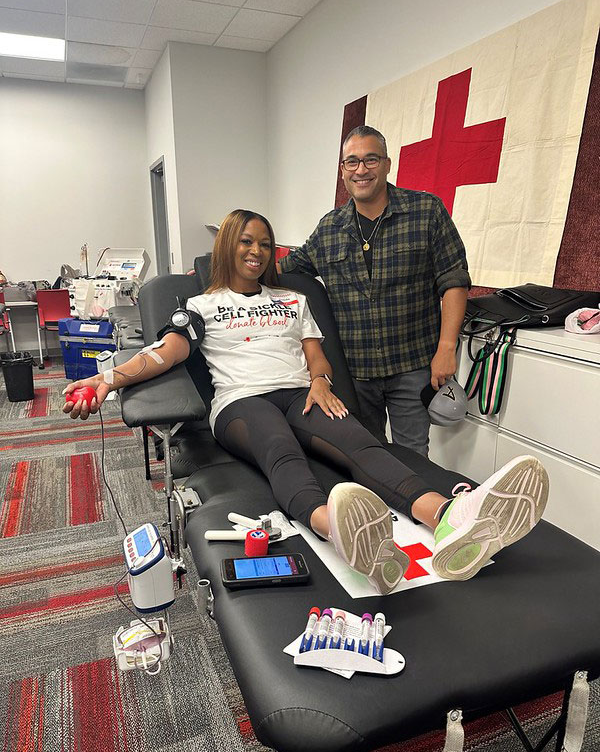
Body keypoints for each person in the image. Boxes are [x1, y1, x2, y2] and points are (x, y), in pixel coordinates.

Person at [63, 209, 548, 595]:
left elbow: (317, 357)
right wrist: (107, 379)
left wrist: (320, 381)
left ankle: (449, 520)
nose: (256, 251)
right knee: (280, 448)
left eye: (265, 244)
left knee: (362, 443)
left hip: (300, 393)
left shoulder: (293, 300)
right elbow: (165, 353)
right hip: (240, 403)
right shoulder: (200, 307)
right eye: (246, 241)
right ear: (226, 246)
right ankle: (340, 532)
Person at [277, 125, 470, 456]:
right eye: (351, 162)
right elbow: (285, 268)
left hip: (412, 366)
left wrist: (447, 347)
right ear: (342, 171)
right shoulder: (329, 229)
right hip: (355, 373)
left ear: (387, 163)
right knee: (365, 456)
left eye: (370, 159)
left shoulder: (426, 212)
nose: (361, 170)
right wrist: (217, 269)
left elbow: (454, 280)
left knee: (413, 457)